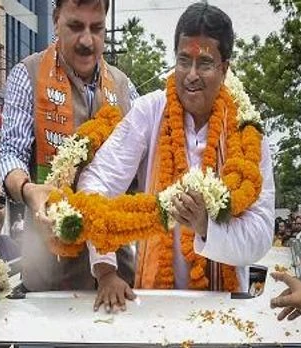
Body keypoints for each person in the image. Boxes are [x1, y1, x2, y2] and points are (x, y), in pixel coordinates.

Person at [76, 3, 275, 311]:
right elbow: (97, 182)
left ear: (224, 69)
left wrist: (207, 226)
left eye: (205, 63)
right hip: (154, 305)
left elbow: (261, 233)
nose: (191, 75)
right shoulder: (150, 111)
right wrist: (106, 269)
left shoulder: (247, 131)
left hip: (223, 310)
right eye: (184, 61)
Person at [0, 0, 138, 293]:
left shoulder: (124, 88)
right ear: (56, 19)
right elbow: (11, 152)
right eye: (76, 27)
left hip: (117, 275)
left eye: (97, 29)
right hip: (50, 273)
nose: (87, 41)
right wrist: (29, 191)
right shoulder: (28, 74)